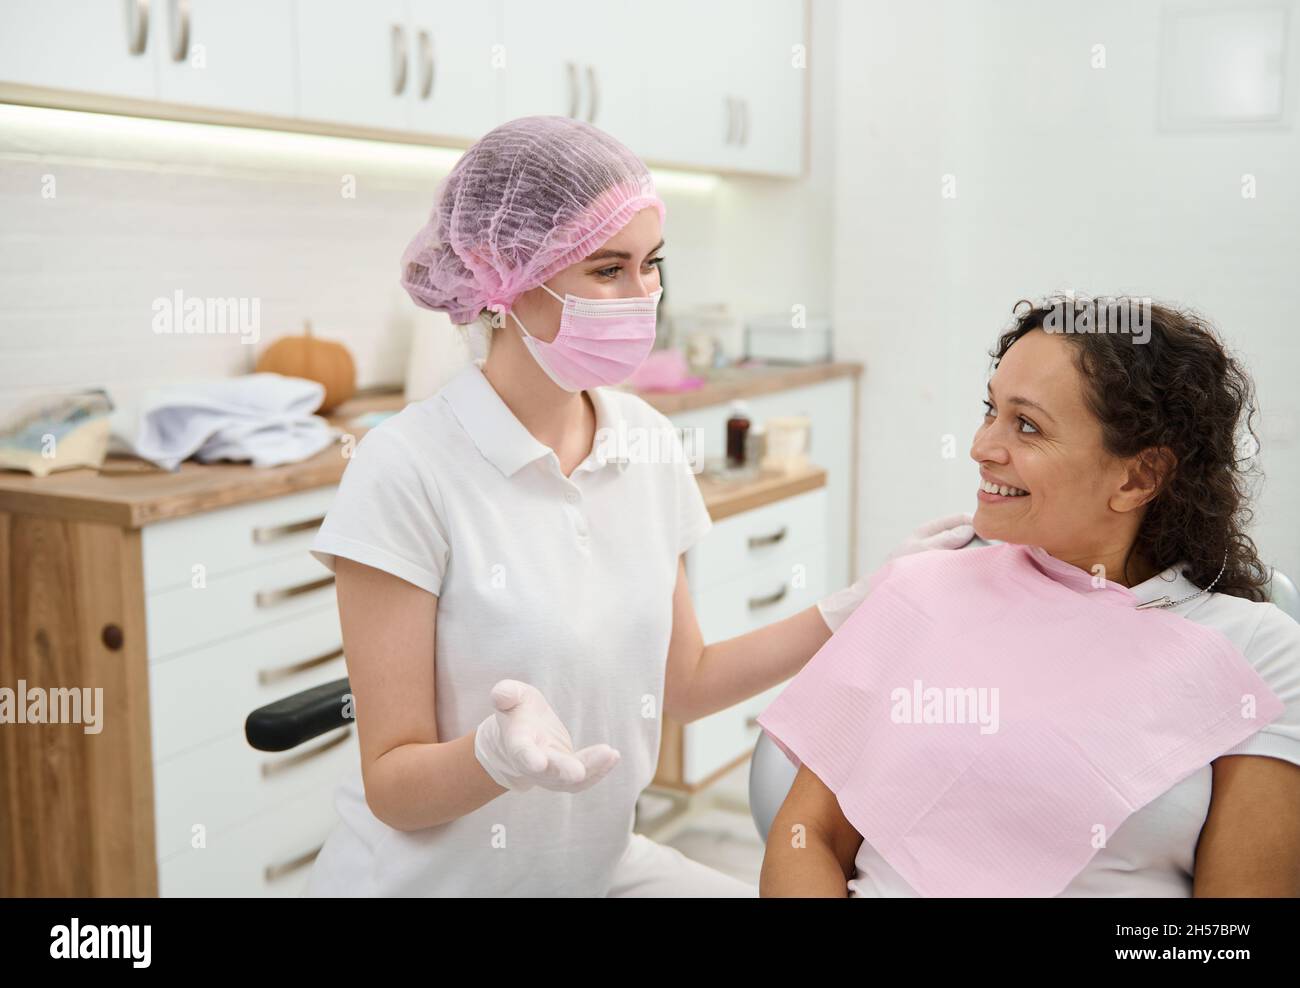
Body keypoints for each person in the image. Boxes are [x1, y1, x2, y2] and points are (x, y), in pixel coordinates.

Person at [301, 115, 969, 897]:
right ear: (504, 279)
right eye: (608, 269)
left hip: (597, 869)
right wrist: (491, 757)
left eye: (652, 265)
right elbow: (392, 786)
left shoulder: (646, 442)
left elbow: (684, 682)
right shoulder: (407, 469)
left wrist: (853, 611)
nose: (643, 294)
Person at [761, 297, 1300, 897]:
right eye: (991, 409)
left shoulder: (1258, 656)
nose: (981, 445)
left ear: (1138, 477)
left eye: (1027, 425)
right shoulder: (924, 588)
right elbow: (807, 834)